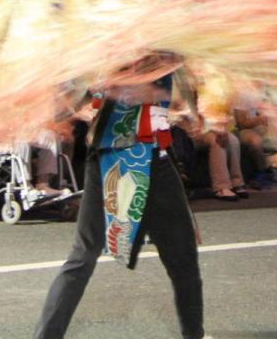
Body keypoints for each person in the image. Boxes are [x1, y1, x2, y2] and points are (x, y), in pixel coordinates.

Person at [34, 60, 205, 339]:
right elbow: (71, 97)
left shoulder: (152, 50)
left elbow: (181, 101)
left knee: (85, 255)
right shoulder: (126, 49)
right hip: (127, 159)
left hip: (130, 157)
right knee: (180, 259)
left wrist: (187, 113)